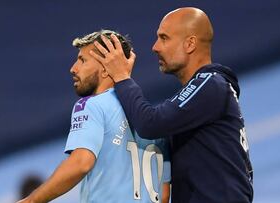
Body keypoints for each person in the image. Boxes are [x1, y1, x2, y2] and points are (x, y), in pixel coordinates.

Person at [90, 7, 254, 203]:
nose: (155, 47)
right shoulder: (207, 90)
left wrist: (122, 77)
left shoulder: (210, 84)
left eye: (164, 38)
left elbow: (150, 123)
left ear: (190, 44)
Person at [17, 30, 171, 203]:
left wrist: (30, 201)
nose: (73, 68)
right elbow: (165, 193)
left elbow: (81, 163)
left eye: (82, 60)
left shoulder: (91, 105)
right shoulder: (152, 119)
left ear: (106, 69)